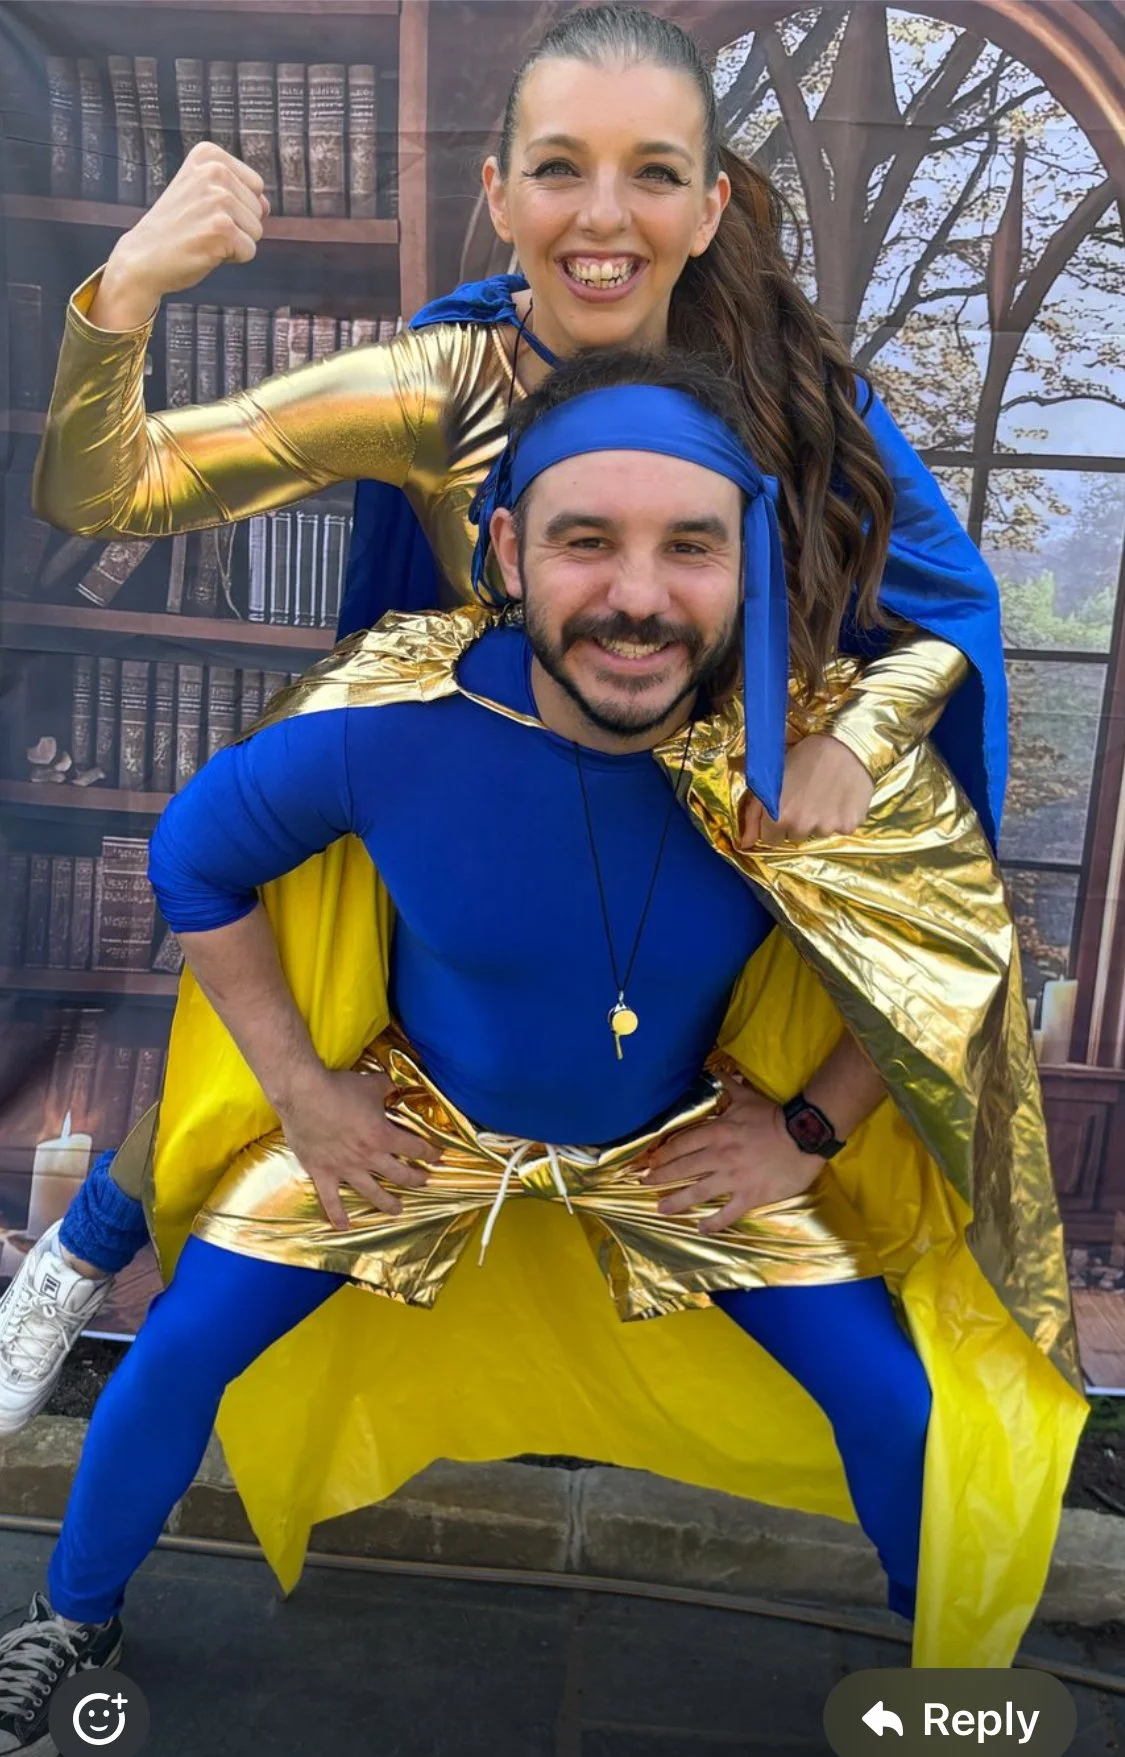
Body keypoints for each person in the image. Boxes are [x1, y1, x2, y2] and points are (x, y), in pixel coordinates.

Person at [0, 352, 1083, 1749]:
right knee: (183, 1342)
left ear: (746, 558)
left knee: (894, 1402)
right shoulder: (395, 723)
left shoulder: (805, 750)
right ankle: (71, 1617)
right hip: (416, 1123)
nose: (637, 595)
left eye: (688, 545)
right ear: (509, 549)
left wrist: (803, 1130)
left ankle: (946, 1693)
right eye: (587, 540)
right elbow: (196, 865)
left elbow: (939, 965)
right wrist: (303, 1094)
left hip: (681, 1145)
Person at [4, 9, 999, 1434]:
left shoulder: (784, 394)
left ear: (710, 203)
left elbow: (951, 613)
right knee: (298, 1028)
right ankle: (92, 1244)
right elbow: (113, 495)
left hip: (693, 816)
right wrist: (124, 296)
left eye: (652, 172)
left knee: (727, 1049)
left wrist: (848, 741)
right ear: (501, 194)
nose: (604, 217)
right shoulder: (440, 383)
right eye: (560, 169)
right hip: (476, 780)